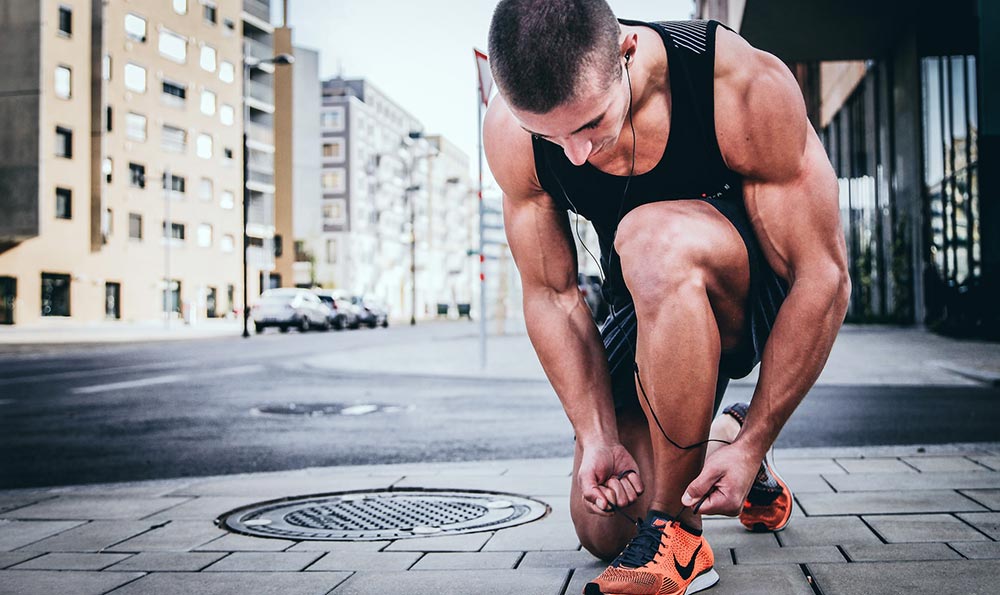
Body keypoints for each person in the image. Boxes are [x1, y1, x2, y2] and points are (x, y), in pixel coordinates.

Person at [483, 1, 850, 594]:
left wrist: (761, 437)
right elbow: (551, 295)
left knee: (651, 239)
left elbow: (823, 275)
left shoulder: (736, 84)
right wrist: (596, 435)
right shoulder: (511, 133)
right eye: (547, 135)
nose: (573, 154)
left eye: (589, 125)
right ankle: (717, 441)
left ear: (626, 53)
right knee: (604, 527)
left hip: (746, 295)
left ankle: (679, 539)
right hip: (644, 303)